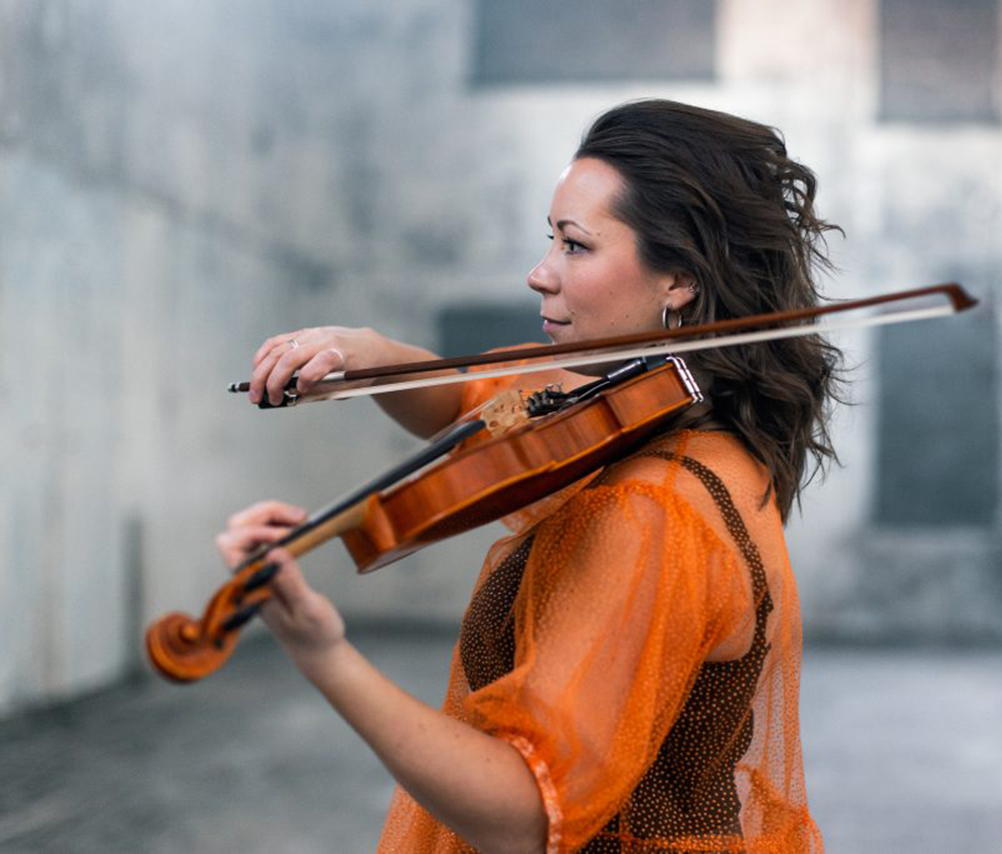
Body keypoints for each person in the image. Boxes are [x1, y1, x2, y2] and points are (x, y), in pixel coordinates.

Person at [218, 99, 840, 853]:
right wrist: (367, 350)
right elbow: (479, 405)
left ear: (678, 277)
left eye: (575, 246)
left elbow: (524, 812)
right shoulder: (706, 434)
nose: (539, 274)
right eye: (550, 239)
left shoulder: (653, 511)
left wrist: (322, 652)